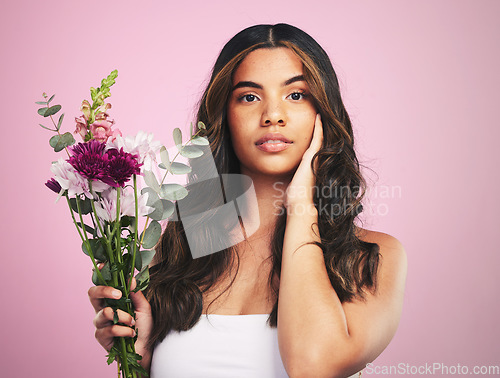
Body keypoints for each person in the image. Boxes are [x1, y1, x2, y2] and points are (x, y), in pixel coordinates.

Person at [88, 23, 407, 378]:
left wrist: (302, 203)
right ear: (224, 116)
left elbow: (312, 367)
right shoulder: (179, 251)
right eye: (249, 96)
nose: (273, 115)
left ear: (324, 110)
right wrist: (142, 360)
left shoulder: (370, 259)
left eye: (296, 95)